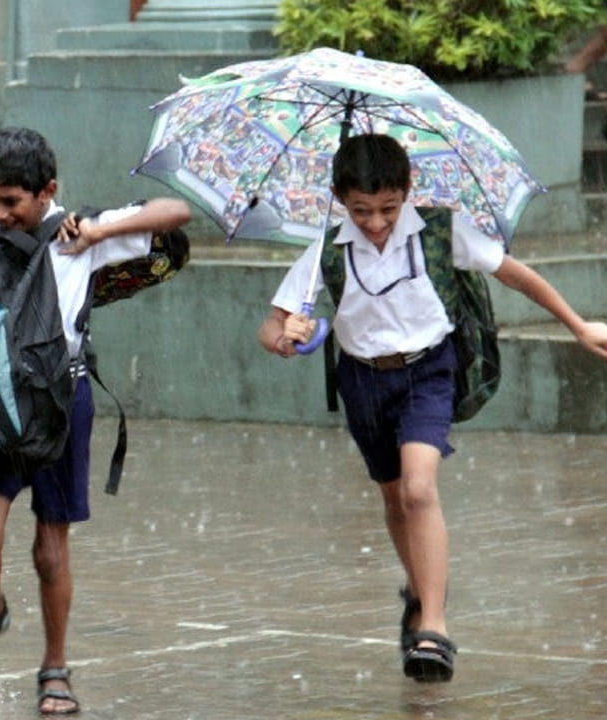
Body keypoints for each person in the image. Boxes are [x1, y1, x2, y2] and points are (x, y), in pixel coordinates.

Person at [257, 133, 607, 682]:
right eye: (362, 210)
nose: (376, 222)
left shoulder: (440, 231)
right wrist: (286, 336)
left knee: (420, 487)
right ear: (340, 199)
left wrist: (577, 324)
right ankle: (419, 594)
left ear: (407, 192)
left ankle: (435, 629)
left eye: (388, 208)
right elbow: (271, 326)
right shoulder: (326, 249)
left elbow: (516, 274)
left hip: (429, 372)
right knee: (395, 499)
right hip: (362, 381)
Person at [0, 126, 190, 714]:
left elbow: (174, 211)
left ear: (47, 189)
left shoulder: (82, 234)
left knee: (50, 550)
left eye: (12, 202)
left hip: (62, 404)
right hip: (0, 404)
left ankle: (55, 664)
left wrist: (99, 228)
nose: (0, 214)